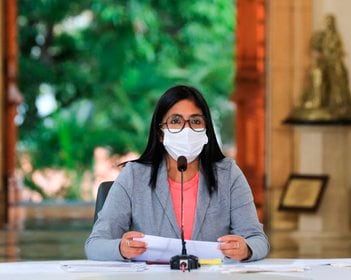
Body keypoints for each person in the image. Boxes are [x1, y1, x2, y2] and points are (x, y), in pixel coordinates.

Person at [85, 85, 270, 262]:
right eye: (175, 121)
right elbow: (95, 244)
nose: (187, 129)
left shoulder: (228, 174)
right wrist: (121, 248)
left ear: (206, 130)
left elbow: (258, 240)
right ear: (160, 132)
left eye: (196, 121)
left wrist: (245, 249)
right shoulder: (134, 176)